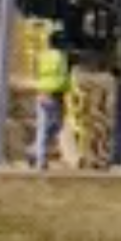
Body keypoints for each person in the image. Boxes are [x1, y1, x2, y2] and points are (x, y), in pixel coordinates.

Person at [29, 31, 71, 171]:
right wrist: (68, 89)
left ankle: (34, 151)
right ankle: (40, 161)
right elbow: (63, 77)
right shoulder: (61, 57)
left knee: (45, 127)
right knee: (56, 126)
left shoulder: (42, 56)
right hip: (55, 95)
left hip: (42, 93)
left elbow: (36, 73)